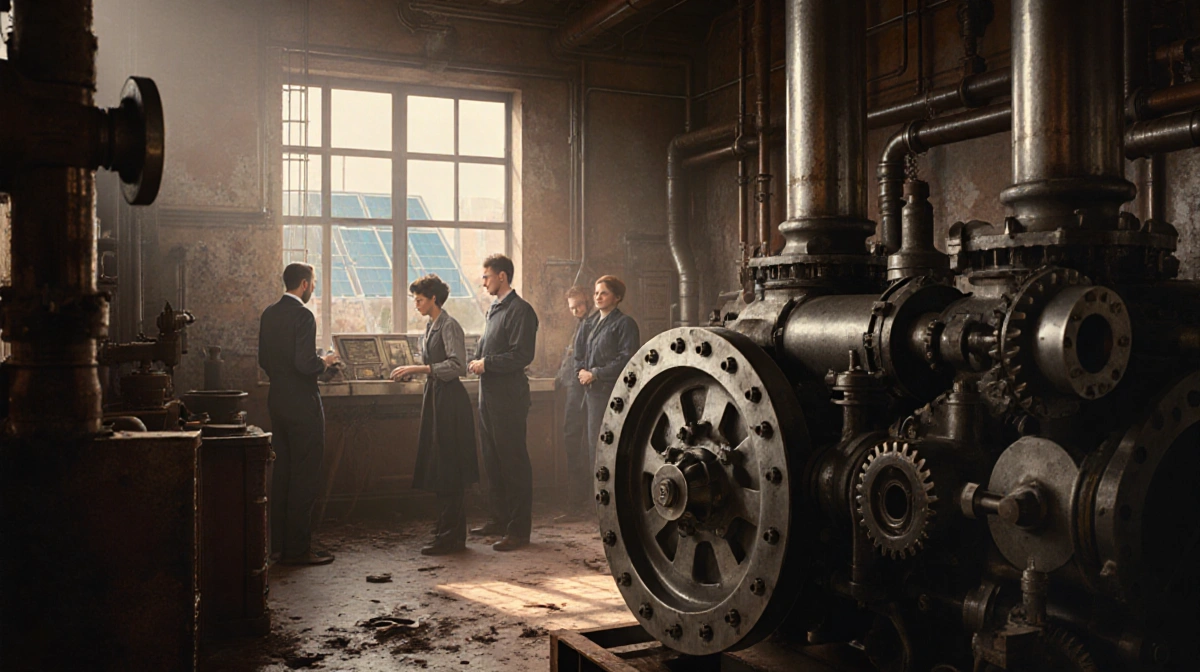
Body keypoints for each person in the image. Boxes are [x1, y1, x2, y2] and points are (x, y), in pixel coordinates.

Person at [390, 274, 479, 556]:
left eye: (419, 299)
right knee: (440, 467)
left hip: (450, 402)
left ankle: (450, 537)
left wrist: (418, 369)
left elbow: (456, 366)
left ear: (434, 299)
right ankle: (447, 532)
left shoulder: (450, 325)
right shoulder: (430, 327)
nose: (416, 304)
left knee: (449, 467)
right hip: (436, 398)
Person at [258, 263, 339, 566]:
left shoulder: (269, 313)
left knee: (283, 473)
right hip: (303, 402)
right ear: (304, 284)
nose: (313, 287)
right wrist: (325, 362)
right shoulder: (303, 315)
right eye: (314, 283)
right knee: (304, 476)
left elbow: (263, 359)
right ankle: (298, 550)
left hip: (277, 399)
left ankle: (279, 545)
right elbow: (305, 363)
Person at [467, 254, 539, 551]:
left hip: (508, 397)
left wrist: (487, 363)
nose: (483, 282)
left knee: (512, 462)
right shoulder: (496, 309)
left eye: (486, 276)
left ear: (502, 277)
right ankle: (499, 519)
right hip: (490, 396)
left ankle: (519, 531)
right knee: (493, 460)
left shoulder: (521, 310)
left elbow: (522, 355)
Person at [576, 276, 640, 463]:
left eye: (604, 293)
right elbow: (579, 354)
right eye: (596, 293)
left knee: (606, 448)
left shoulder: (625, 324)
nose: (598, 297)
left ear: (617, 297)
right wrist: (580, 372)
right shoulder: (591, 323)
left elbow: (627, 359)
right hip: (590, 394)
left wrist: (595, 374)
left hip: (611, 395)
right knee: (592, 448)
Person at [556, 286, 594, 521]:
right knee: (572, 442)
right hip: (572, 388)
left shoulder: (592, 325)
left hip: (584, 391)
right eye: (571, 307)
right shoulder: (581, 325)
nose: (575, 310)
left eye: (578, 305)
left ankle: (580, 505)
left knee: (580, 444)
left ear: (587, 301)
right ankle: (576, 503)